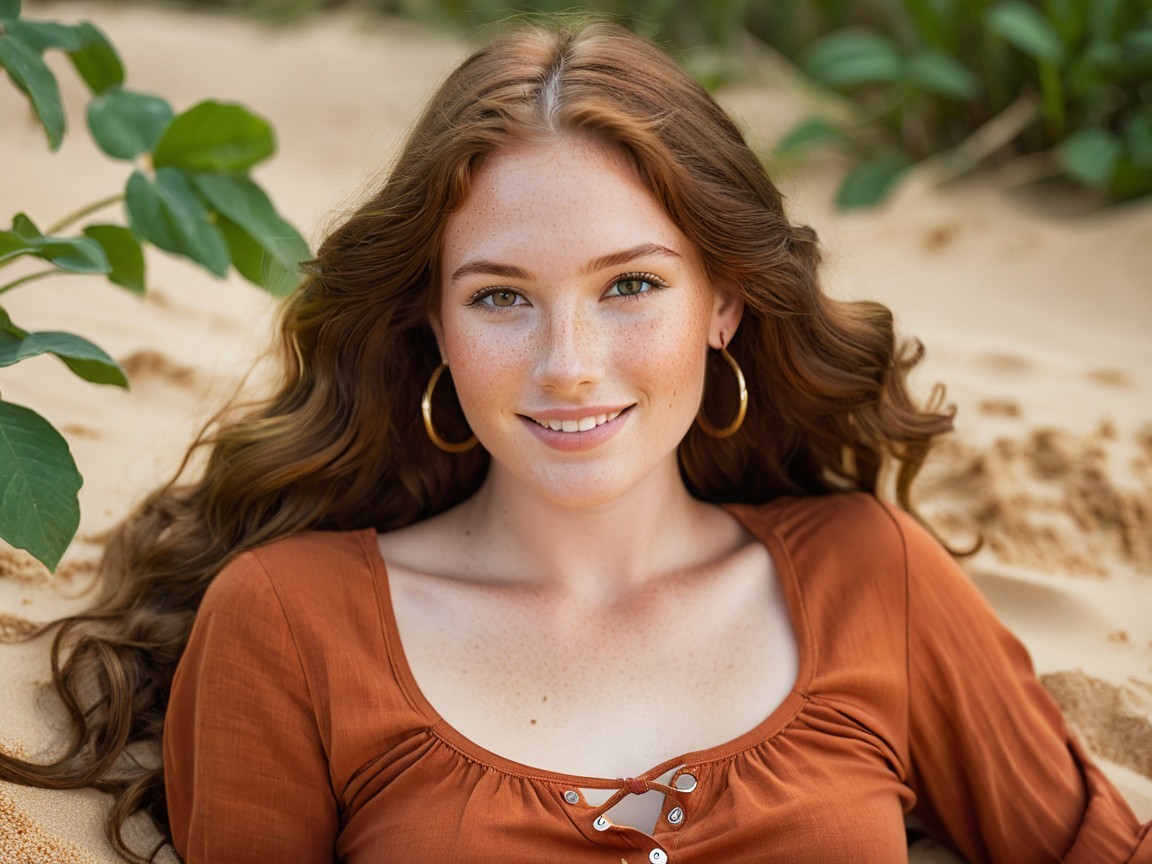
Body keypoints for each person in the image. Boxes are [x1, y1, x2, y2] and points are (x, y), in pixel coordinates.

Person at [2, 19, 1148, 864]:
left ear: (726, 301)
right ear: (432, 324)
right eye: (501, 297)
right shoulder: (292, 625)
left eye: (632, 285)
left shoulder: (873, 576)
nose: (570, 364)